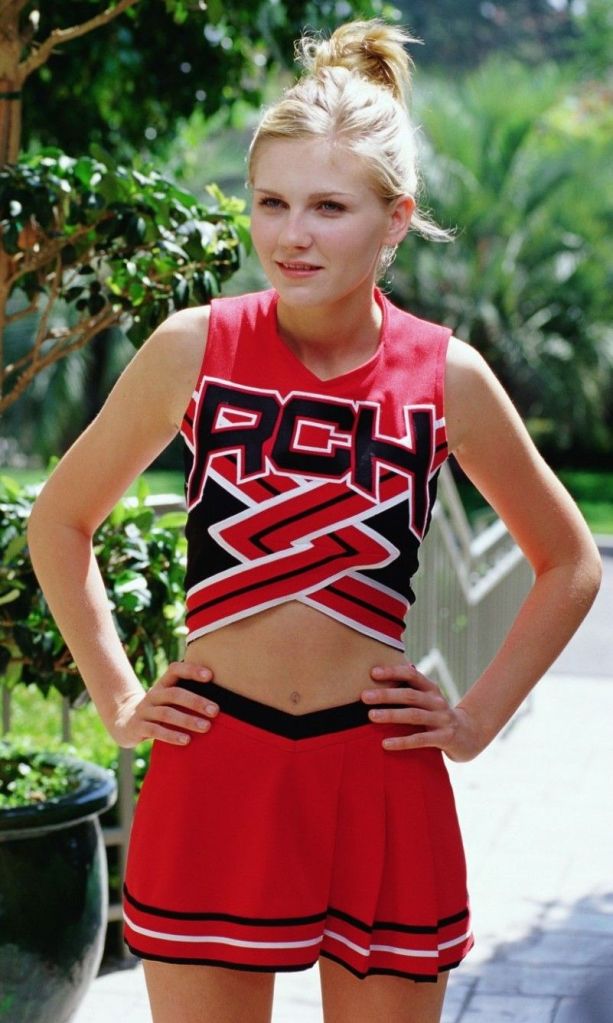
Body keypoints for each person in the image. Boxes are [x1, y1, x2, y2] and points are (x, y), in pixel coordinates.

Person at [27, 18, 601, 1023]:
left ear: (394, 218)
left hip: (377, 775)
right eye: (273, 202)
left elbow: (568, 562)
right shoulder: (193, 348)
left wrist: (472, 721)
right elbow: (61, 520)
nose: (293, 234)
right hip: (218, 765)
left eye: (329, 207)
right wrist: (117, 697)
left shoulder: (447, 375)